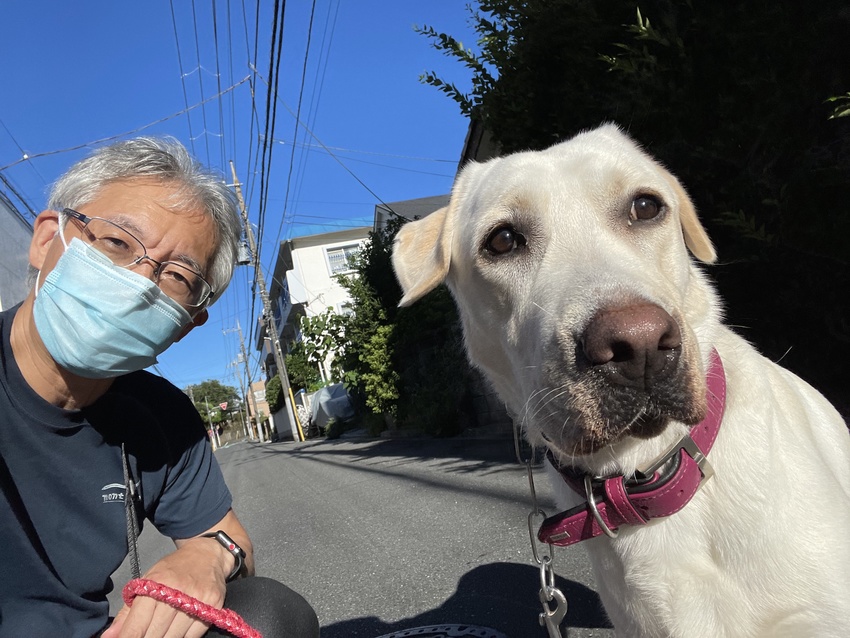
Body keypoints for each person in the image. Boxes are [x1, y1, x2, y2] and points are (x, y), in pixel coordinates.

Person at [0, 138, 320, 638]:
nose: (139, 282)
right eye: (117, 243)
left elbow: (232, 541)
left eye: (176, 275)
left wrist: (206, 557)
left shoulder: (161, 416)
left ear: (188, 322)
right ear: (46, 240)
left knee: (268, 613)